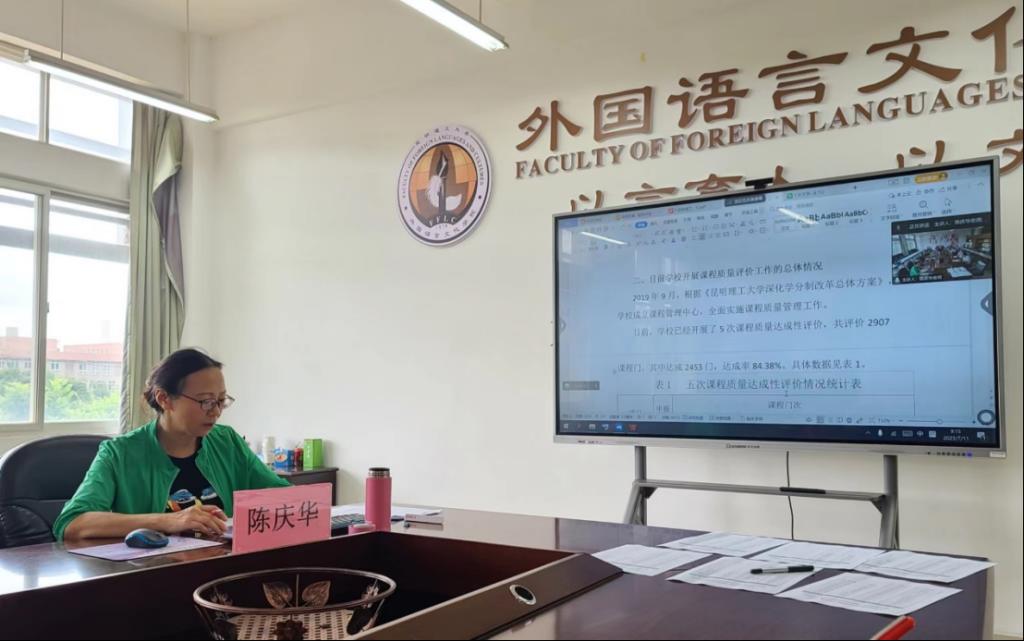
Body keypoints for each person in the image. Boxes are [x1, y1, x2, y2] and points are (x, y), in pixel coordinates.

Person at [53, 348, 290, 542]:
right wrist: (167, 521)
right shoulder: (120, 453)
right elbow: (72, 523)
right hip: (155, 574)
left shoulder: (226, 441)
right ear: (164, 398)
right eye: (206, 401)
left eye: (220, 401)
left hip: (221, 567)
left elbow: (283, 496)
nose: (216, 412)